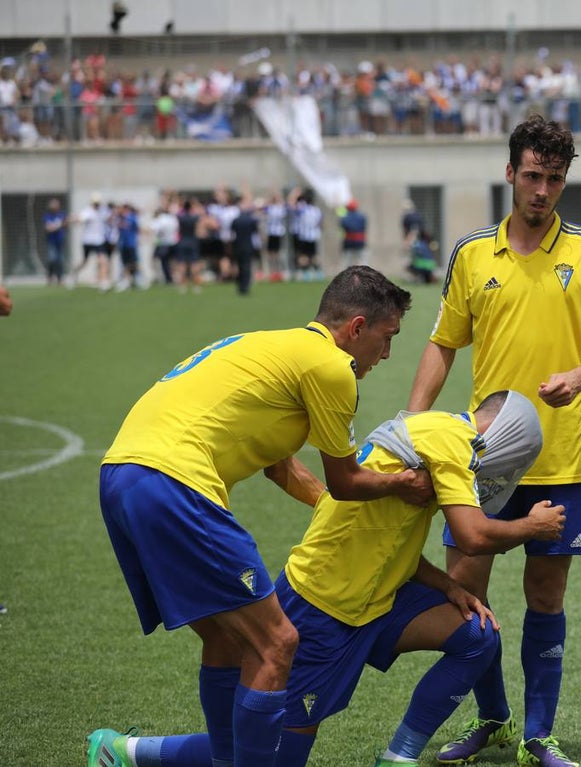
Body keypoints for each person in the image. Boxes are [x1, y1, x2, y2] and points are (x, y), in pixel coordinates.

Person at [87, 391, 567, 767]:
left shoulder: (442, 439)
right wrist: (534, 527)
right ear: (509, 440)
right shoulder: (450, 441)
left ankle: (398, 758)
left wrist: (447, 586)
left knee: (478, 637)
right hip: (323, 608)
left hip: (380, 600)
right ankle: (128, 752)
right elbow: (473, 534)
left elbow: (386, 537)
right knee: (267, 756)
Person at [95, 266, 435, 767]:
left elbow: (281, 468)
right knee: (278, 642)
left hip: (122, 477)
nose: (386, 355)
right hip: (173, 482)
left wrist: (324, 507)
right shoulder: (331, 367)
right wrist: (402, 484)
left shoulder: (270, 345)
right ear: (357, 328)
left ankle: (223, 760)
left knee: (226, 638)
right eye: (387, 339)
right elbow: (347, 481)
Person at [407, 114, 581, 767]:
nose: (542, 189)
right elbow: (442, 343)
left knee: (545, 596)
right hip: (484, 459)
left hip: (562, 458)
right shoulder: (472, 253)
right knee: (465, 590)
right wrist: (411, 427)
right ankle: (493, 718)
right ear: (511, 173)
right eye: (532, 175)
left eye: (555, 179)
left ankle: (539, 733)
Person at [339, 198, 368, 269]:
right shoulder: (362, 216)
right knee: (363, 260)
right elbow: (364, 227)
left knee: (348, 261)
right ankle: (366, 275)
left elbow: (343, 226)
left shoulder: (345, 217)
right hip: (360, 241)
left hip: (349, 241)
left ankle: (346, 276)